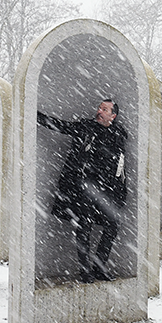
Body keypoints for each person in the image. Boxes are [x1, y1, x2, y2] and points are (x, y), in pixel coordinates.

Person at [37, 99, 128, 283]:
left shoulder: (118, 134)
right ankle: (86, 271)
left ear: (113, 115)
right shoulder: (85, 127)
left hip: (106, 192)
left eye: (104, 109)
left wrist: (120, 191)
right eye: (99, 108)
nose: (99, 111)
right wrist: (35, 114)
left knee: (112, 226)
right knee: (84, 227)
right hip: (83, 189)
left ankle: (99, 267)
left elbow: (120, 165)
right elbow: (61, 126)